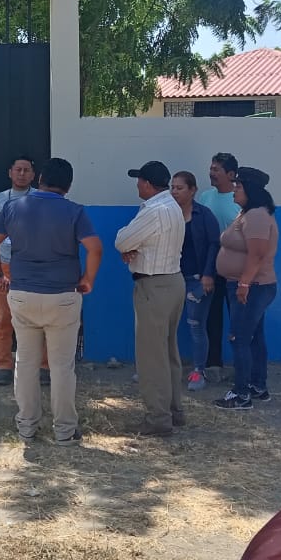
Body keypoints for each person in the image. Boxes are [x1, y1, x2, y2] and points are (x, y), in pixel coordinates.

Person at [0, 157, 102, 446]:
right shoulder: (74, 211)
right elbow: (95, 248)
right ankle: (64, 431)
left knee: (25, 363)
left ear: (39, 180)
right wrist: (88, 279)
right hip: (62, 297)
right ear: (68, 185)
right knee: (61, 367)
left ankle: (26, 427)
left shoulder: (12, 207)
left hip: (22, 294)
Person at [114, 161, 186, 436]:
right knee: (167, 351)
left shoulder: (153, 211)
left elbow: (122, 240)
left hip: (153, 285)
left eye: (139, 180)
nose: (137, 185)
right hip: (173, 281)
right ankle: (173, 410)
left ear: (147, 183)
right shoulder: (172, 207)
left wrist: (129, 248)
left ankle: (158, 417)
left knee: (151, 356)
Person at [0, 155, 49, 387]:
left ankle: (44, 366)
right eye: (18, 169)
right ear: (10, 172)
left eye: (27, 170)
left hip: (34, 267)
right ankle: (4, 366)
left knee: (39, 317)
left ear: (34, 175)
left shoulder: (40, 199)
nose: (22, 174)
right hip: (5, 267)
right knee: (3, 318)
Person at [214, 166, 279, 411]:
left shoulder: (257, 216)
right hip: (250, 285)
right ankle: (257, 386)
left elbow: (257, 254)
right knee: (253, 338)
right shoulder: (248, 214)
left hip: (253, 287)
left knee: (239, 338)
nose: (234, 191)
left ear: (250, 190)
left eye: (238, 187)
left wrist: (243, 283)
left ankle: (241, 395)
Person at [170, 171, 221, 391]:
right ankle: (161, 369)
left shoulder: (204, 215)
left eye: (179, 188)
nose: (174, 192)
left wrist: (209, 274)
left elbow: (214, 245)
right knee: (165, 326)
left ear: (192, 190)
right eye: (172, 187)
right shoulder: (167, 213)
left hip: (197, 280)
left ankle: (198, 371)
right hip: (171, 278)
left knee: (196, 326)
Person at [196, 152, 241, 371]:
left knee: (238, 317)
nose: (211, 173)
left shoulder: (240, 200)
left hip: (236, 269)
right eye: (211, 168)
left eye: (217, 170)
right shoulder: (205, 197)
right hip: (210, 267)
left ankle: (242, 366)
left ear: (231, 174)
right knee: (211, 316)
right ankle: (213, 363)